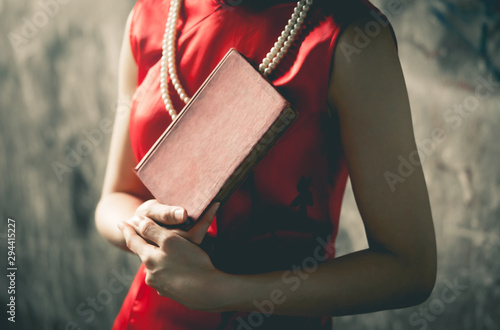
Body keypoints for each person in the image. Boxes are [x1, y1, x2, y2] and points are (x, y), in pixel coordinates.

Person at [95, 0, 437, 328]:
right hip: (148, 315)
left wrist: (219, 290)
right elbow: (115, 197)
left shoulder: (351, 37)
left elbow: (409, 269)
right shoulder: (151, 15)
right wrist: (145, 231)